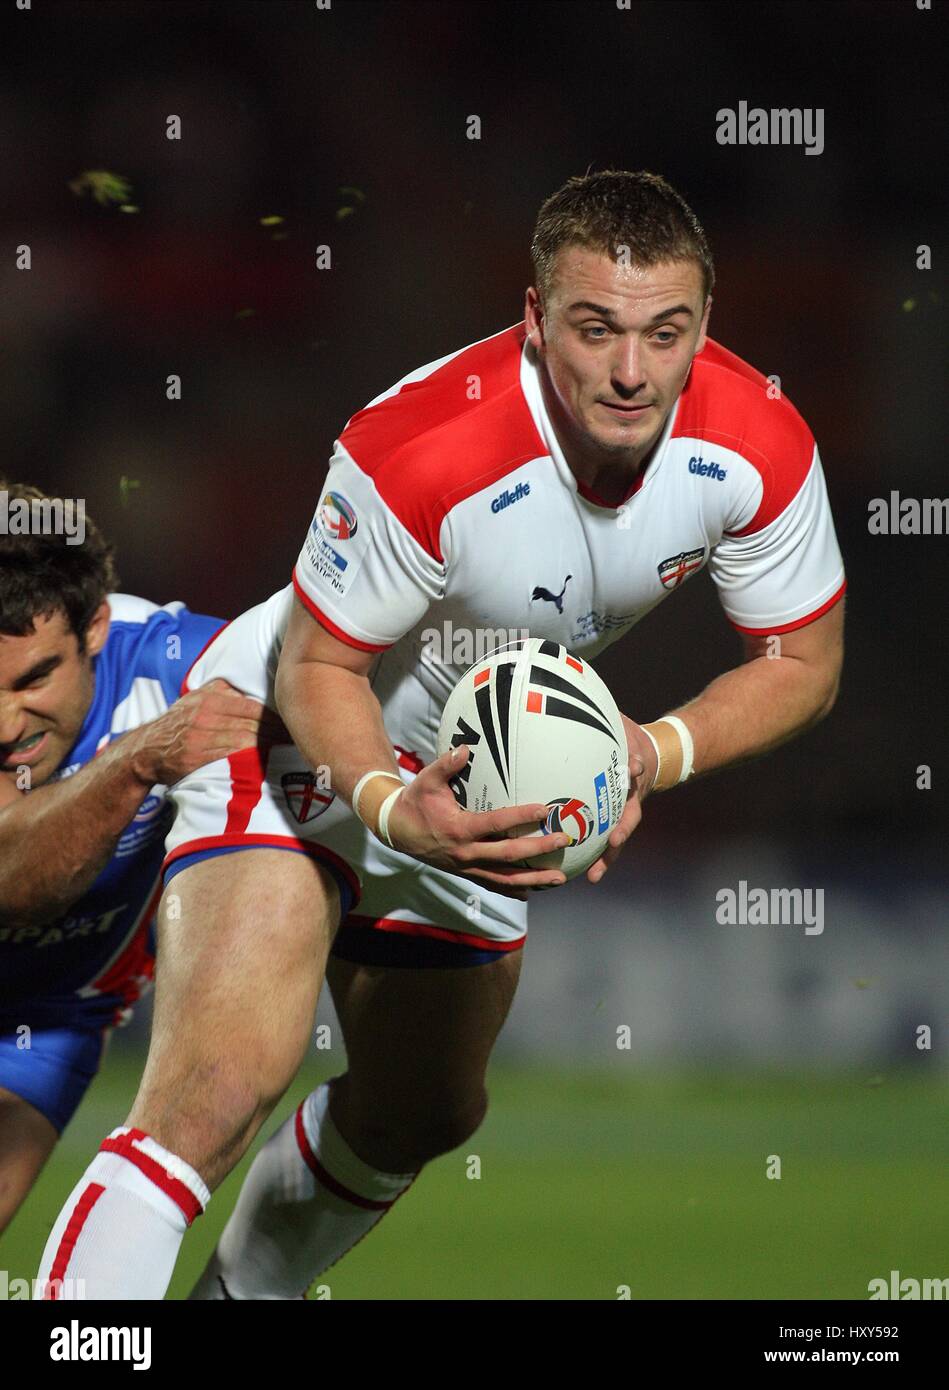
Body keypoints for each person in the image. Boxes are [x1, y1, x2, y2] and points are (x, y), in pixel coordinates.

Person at [37, 169, 845, 1300]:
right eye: (594, 328)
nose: (630, 371)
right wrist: (382, 801)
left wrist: (651, 753)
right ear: (532, 317)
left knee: (421, 1111)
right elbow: (320, 665)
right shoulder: (426, 447)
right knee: (216, 1092)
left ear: (704, 322)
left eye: (665, 334)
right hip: (293, 745)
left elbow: (800, 662)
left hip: (476, 789)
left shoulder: (757, 445)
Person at [0, 480, 268, 1242]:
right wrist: (137, 763)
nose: (5, 723)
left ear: (95, 628)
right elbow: (12, 880)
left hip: (45, 1021)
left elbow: (343, 696)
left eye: (33, 679)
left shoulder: (176, 662)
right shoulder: (149, 734)